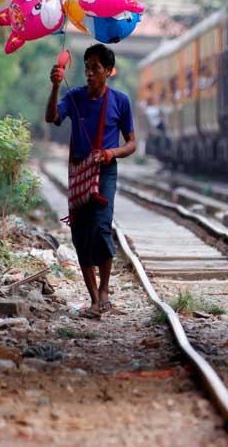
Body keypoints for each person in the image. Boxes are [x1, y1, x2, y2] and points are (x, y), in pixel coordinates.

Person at [46, 44, 136, 319]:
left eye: (95, 68)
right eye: (87, 67)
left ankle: (105, 289)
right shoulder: (74, 97)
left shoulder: (120, 102)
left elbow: (132, 144)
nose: (89, 72)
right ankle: (94, 299)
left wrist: (111, 153)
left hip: (105, 171)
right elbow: (51, 118)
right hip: (79, 172)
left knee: (101, 227)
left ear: (108, 71)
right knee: (81, 233)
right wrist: (55, 87)